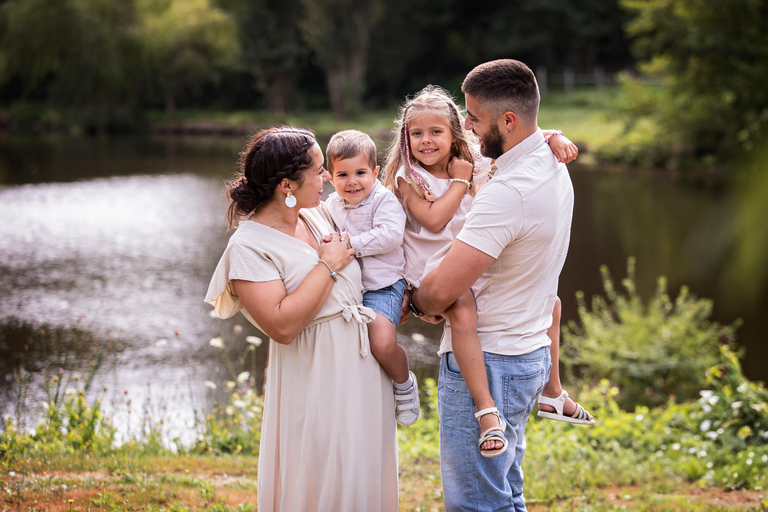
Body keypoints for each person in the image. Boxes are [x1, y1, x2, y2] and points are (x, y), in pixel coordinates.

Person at [383, 85, 587, 459]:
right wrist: (460, 182)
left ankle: (552, 392)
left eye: (436, 132)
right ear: (405, 137)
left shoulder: (473, 157)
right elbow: (433, 221)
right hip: (431, 266)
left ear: (456, 132)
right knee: (463, 315)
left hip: (462, 261)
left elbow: (518, 134)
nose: (426, 141)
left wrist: (554, 136)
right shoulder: (408, 177)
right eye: (416, 134)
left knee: (552, 304)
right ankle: (486, 409)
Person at [204, 126, 398, 511]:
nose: (329, 177)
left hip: (361, 372)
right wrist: (327, 266)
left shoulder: (318, 216)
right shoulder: (248, 247)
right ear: (287, 186)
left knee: (362, 478)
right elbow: (282, 325)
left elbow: (384, 221)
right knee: (318, 476)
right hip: (314, 379)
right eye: (319, 170)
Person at [324, 129, 420, 427]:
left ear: (376, 172)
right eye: (342, 175)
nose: (352, 182)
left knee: (381, 341)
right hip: (347, 289)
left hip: (384, 286)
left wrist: (349, 243)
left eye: (360, 172)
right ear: (330, 176)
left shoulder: (384, 200)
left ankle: (404, 384)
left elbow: (391, 236)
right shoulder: (330, 205)